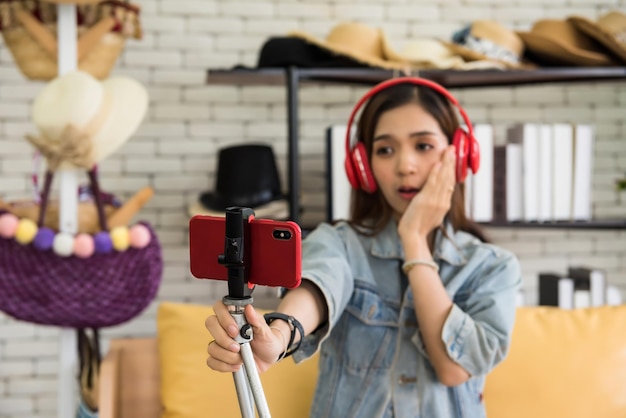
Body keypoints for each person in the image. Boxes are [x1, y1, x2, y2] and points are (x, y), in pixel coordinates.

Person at [205, 77, 522, 418]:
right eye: (385, 149)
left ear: (458, 157)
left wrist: (414, 239)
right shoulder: (339, 242)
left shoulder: (494, 267)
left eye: (423, 146)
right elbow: (319, 283)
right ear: (363, 167)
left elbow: (453, 369)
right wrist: (280, 337)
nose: (405, 166)